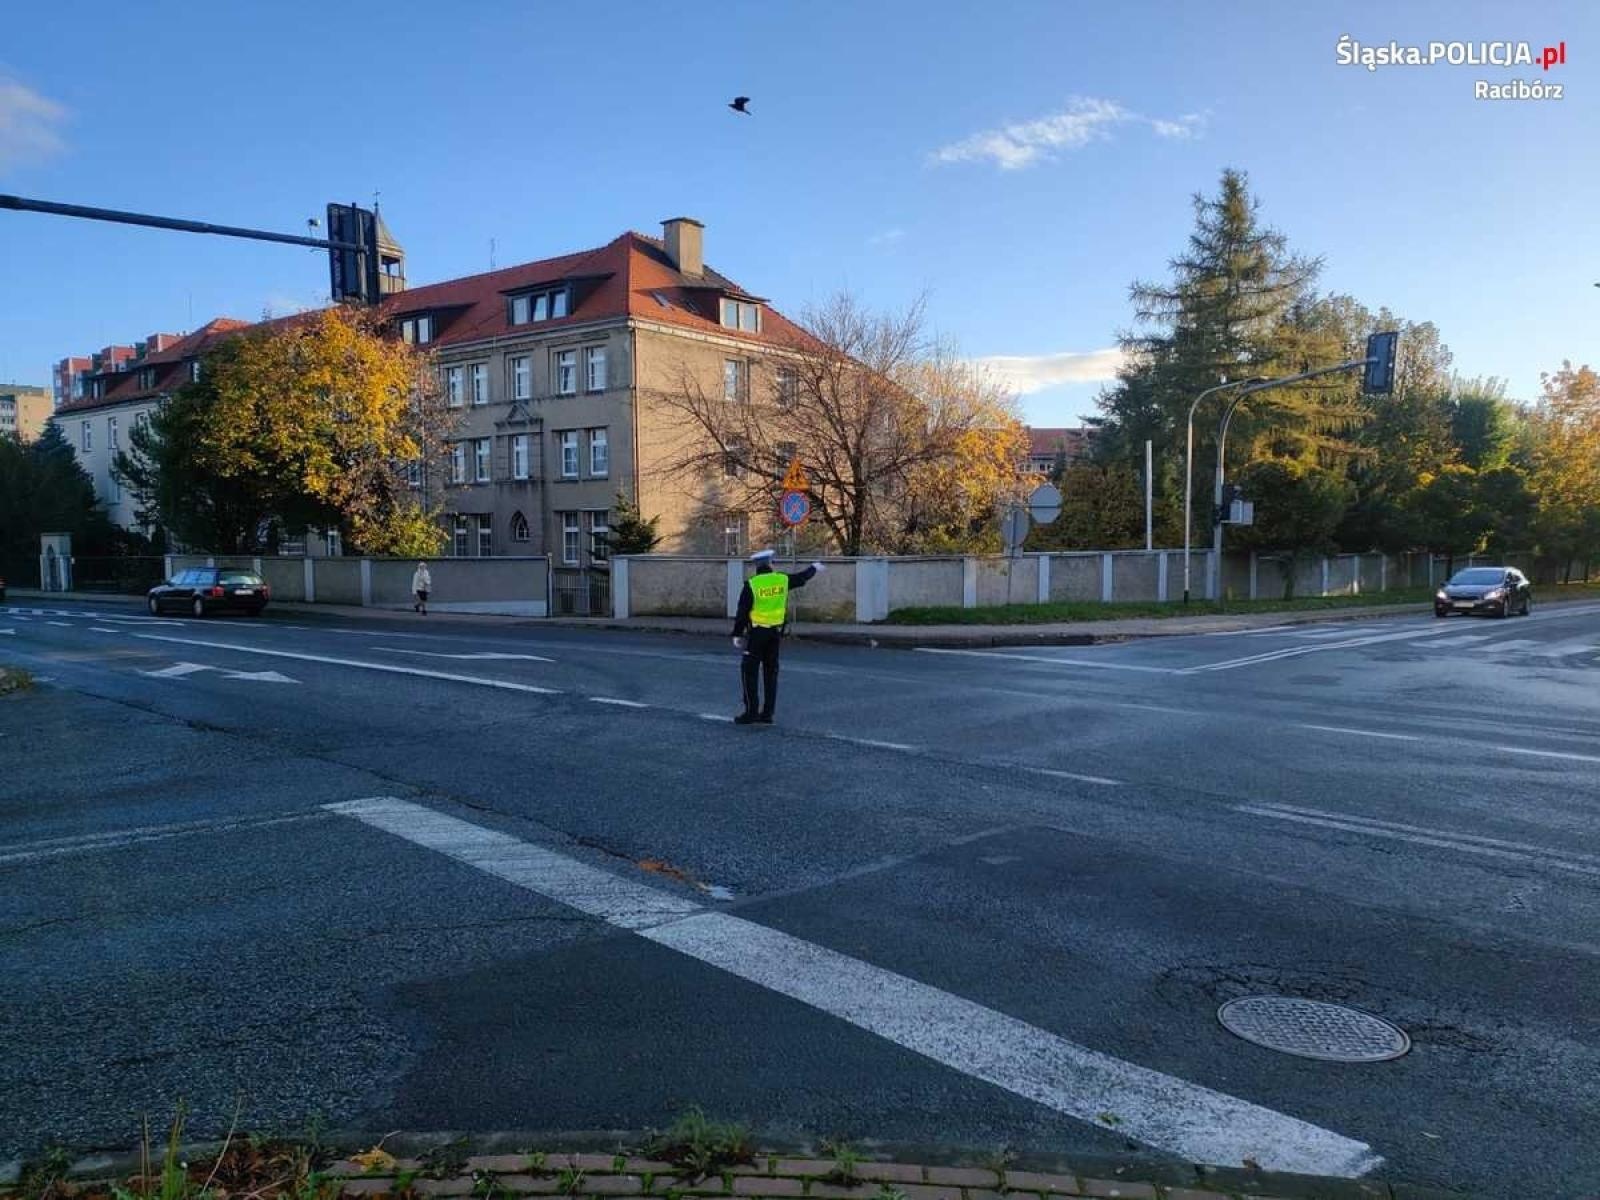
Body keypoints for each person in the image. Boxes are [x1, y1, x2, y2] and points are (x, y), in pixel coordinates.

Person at [731, 548, 824, 725]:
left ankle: (751, 712)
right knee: (770, 672)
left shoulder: (752, 584)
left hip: (757, 634)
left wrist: (737, 633)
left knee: (749, 671)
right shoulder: (782, 580)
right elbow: (801, 577)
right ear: (771, 564)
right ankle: (767, 713)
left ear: (757, 567)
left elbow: (742, 612)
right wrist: (814, 567)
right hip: (775, 634)